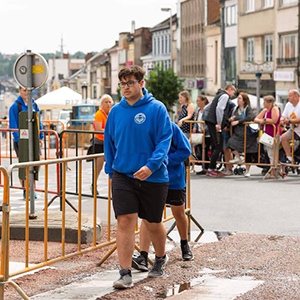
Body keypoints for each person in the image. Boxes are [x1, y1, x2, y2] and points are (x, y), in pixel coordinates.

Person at [104, 65, 172, 289]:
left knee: (152, 223)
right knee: (124, 221)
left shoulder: (157, 109)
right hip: (123, 174)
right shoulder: (115, 112)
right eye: (122, 84)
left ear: (141, 83)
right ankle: (125, 272)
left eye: (130, 83)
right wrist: (111, 171)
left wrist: (151, 166)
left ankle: (160, 258)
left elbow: (164, 140)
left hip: (153, 176)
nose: (125, 87)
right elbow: (109, 143)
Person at [132, 122, 193, 273]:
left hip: (173, 177)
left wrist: (165, 161)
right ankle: (143, 255)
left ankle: (184, 244)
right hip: (153, 178)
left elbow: (185, 150)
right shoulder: (146, 127)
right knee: (148, 216)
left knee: (178, 212)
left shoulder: (171, 127)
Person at [9, 86, 43, 199]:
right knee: (24, 166)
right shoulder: (15, 106)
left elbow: (39, 121)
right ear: (19, 91)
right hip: (22, 140)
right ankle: (26, 189)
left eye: (28, 91)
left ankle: (32, 188)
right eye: (24, 90)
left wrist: (41, 136)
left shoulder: (34, 104)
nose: (26, 93)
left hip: (34, 139)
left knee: (35, 164)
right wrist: (19, 140)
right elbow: (13, 125)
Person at [203, 85, 236, 177]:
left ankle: (211, 167)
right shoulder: (225, 96)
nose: (233, 94)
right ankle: (211, 169)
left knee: (215, 145)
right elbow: (220, 109)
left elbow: (207, 108)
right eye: (233, 91)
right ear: (229, 90)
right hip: (215, 123)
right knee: (218, 145)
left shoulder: (218, 95)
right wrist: (219, 123)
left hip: (210, 121)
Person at [227, 92, 258, 177]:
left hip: (248, 133)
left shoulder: (248, 109)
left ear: (244, 101)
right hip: (238, 133)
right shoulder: (235, 109)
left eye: (240, 98)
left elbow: (250, 117)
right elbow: (232, 117)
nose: (238, 100)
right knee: (230, 142)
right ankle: (237, 157)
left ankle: (247, 170)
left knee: (248, 152)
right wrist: (231, 119)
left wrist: (238, 121)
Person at [89, 94, 113, 195]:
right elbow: (98, 129)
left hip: (109, 142)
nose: (108, 104)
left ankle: (113, 187)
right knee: (98, 167)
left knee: (112, 165)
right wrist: (109, 131)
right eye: (105, 102)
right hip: (100, 143)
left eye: (109, 102)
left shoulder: (111, 114)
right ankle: (93, 184)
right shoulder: (99, 114)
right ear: (101, 104)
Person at [254, 95, 281, 179]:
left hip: (274, 133)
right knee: (270, 153)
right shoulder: (265, 110)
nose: (263, 103)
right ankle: (273, 171)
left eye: (264, 102)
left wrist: (264, 121)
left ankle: (275, 172)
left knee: (274, 153)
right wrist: (261, 120)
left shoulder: (274, 109)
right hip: (267, 134)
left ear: (269, 102)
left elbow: (274, 120)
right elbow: (256, 119)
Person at [280, 89, 300, 165]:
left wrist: (290, 121)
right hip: (294, 129)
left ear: (296, 96)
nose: (288, 97)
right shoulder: (288, 105)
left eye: (290, 96)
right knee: (284, 137)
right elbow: (283, 116)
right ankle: (289, 157)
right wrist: (282, 120)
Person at [192, 95, 210, 175]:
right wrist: (195, 127)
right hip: (199, 132)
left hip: (206, 133)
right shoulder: (198, 110)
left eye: (198, 101)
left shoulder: (207, 109)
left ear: (203, 101)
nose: (197, 103)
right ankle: (203, 166)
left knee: (205, 149)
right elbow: (197, 120)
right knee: (200, 149)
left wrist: (205, 129)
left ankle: (206, 167)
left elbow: (208, 121)